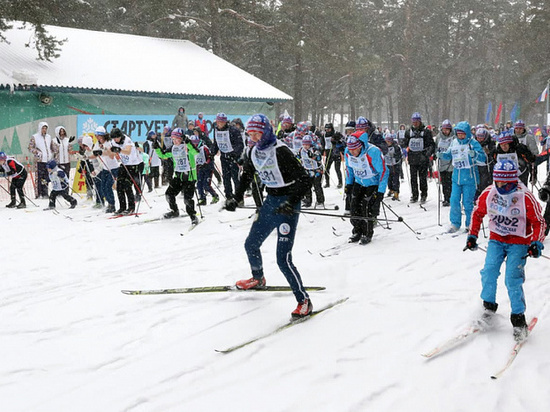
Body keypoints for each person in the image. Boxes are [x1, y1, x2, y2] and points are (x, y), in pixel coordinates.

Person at [224, 114, 313, 318]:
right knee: (251, 244)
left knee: (283, 258)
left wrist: (291, 203)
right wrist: (235, 198)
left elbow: (305, 181)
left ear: (267, 132)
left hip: (287, 201)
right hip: (270, 201)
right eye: (251, 134)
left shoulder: (281, 151)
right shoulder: (254, 150)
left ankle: (304, 301)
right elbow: (247, 175)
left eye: (258, 133)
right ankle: (258, 278)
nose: (254, 137)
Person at [465, 160, 546, 341]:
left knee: (512, 278)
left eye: (505, 183)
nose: (500, 186)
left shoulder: (524, 196)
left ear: (513, 181)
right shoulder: (490, 193)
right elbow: (477, 213)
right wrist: (472, 236)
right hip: (497, 239)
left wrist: (536, 243)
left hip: (519, 243)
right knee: (489, 272)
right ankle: (488, 307)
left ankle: (518, 319)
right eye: (497, 182)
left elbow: (539, 222)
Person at [438, 121, 486, 233]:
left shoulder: (473, 143)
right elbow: (449, 154)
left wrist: (475, 155)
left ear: (467, 133)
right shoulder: (454, 142)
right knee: (454, 200)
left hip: (470, 178)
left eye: (462, 134)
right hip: (456, 178)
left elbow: (483, 158)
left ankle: (470, 224)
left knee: (467, 202)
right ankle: (455, 223)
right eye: (458, 133)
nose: (460, 136)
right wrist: (442, 155)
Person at [344, 132, 388, 245]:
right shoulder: (348, 153)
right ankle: (357, 231)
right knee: (354, 206)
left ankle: (367, 233)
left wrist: (380, 192)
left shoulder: (373, 152)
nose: (352, 152)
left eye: (355, 150)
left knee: (366, 207)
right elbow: (349, 169)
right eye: (350, 150)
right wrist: (348, 184)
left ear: (360, 146)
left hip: (373, 183)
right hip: (359, 181)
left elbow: (383, 171)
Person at [155, 128, 199, 224]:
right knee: (169, 194)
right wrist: (157, 148)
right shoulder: (173, 148)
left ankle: (193, 216)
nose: (174, 141)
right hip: (178, 176)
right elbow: (163, 155)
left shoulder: (187, 146)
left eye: (176, 139)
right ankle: (175, 211)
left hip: (190, 177)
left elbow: (196, 152)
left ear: (181, 138)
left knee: (187, 199)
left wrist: (188, 143)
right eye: (173, 139)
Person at [110, 128, 143, 215]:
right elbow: (114, 152)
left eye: (116, 138)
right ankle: (122, 207)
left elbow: (128, 151)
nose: (115, 140)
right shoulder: (113, 142)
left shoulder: (127, 140)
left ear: (120, 136)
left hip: (133, 165)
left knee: (127, 185)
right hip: (124, 164)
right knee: (119, 185)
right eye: (114, 138)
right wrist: (115, 153)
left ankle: (131, 207)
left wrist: (119, 150)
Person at [211, 112, 244, 200]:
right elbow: (216, 143)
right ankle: (228, 196)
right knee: (226, 177)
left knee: (235, 178)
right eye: (218, 122)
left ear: (225, 122)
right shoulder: (216, 129)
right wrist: (212, 153)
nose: (220, 124)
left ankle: (239, 197)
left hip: (233, 157)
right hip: (224, 157)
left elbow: (240, 144)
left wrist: (235, 153)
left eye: (222, 122)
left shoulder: (233, 130)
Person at [404, 112, 435, 204]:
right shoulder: (408, 132)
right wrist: (405, 149)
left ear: (420, 121)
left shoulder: (426, 132)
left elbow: (432, 145)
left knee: (422, 178)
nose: (415, 123)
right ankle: (414, 195)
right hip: (413, 158)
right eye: (414, 121)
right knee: (413, 178)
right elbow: (404, 143)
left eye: (417, 121)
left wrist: (428, 153)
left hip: (422, 158)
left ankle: (424, 195)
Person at [91, 126, 118, 213]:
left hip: (113, 168)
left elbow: (112, 155)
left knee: (108, 186)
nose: (97, 137)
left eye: (99, 135)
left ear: (103, 135)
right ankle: (109, 203)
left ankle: (112, 205)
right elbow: (94, 154)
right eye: (96, 135)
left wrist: (103, 150)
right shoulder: (97, 143)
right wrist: (85, 157)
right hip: (105, 168)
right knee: (102, 187)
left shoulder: (109, 143)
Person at [28, 121, 58, 199]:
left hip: (48, 160)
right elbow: (30, 148)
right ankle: (38, 194)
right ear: (40, 128)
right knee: (39, 177)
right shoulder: (35, 137)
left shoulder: (48, 137)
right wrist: (37, 152)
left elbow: (52, 146)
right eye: (43, 128)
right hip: (40, 160)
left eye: (45, 128)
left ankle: (45, 193)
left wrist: (55, 149)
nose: (44, 130)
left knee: (47, 177)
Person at [190, 129, 218, 206]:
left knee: (206, 184)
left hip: (208, 168)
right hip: (200, 168)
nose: (194, 145)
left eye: (195, 143)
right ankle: (202, 198)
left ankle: (215, 195)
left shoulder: (204, 148)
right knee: (199, 184)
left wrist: (206, 163)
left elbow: (210, 157)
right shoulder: (191, 150)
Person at [298, 134, 325, 208]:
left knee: (317, 186)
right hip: (307, 170)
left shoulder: (314, 150)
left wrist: (313, 156)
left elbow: (319, 158)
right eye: (304, 144)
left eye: (307, 144)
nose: (306, 146)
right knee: (307, 186)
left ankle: (320, 201)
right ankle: (308, 201)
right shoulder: (301, 150)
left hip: (317, 170)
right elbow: (298, 157)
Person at [434, 119, 454, 207]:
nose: (445, 131)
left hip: (451, 163)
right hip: (442, 162)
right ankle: (446, 198)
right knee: (444, 182)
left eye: (447, 129)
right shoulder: (439, 137)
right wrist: (435, 154)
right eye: (444, 129)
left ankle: (450, 198)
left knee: (449, 181)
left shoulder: (454, 137)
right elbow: (436, 147)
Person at [512, 120, 539, 184]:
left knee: (522, 186)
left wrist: (534, 173)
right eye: (516, 128)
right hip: (513, 165)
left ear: (523, 129)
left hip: (525, 165)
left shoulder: (528, 137)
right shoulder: (511, 137)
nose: (518, 130)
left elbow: (535, 153)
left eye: (520, 128)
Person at [474, 127, 496, 199]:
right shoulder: (474, 143)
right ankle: (476, 197)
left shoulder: (490, 143)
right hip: (476, 166)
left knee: (485, 183)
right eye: (478, 138)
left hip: (487, 167)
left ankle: (485, 197)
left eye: (481, 138)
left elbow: (494, 154)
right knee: (476, 183)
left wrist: (489, 153)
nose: (480, 140)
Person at [323, 123, 345, 188]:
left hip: (336, 152)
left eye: (329, 129)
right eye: (326, 129)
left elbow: (342, 140)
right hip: (328, 152)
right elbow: (323, 143)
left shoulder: (336, 133)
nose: (327, 130)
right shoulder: (324, 135)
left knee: (337, 168)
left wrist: (337, 141)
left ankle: (340, 182)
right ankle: (327, 183)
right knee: (326, 168)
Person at [384, 133, 402, 201]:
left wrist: (394, 156)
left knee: (395, 180)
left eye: (389, 141)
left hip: (395, 165)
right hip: (387, 165)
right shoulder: (384, 147)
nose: (388, 143)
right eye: (386, 141)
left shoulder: (396, 147)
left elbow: (399, 156)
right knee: (389, 179)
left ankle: (396, 192)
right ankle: (391, 189)